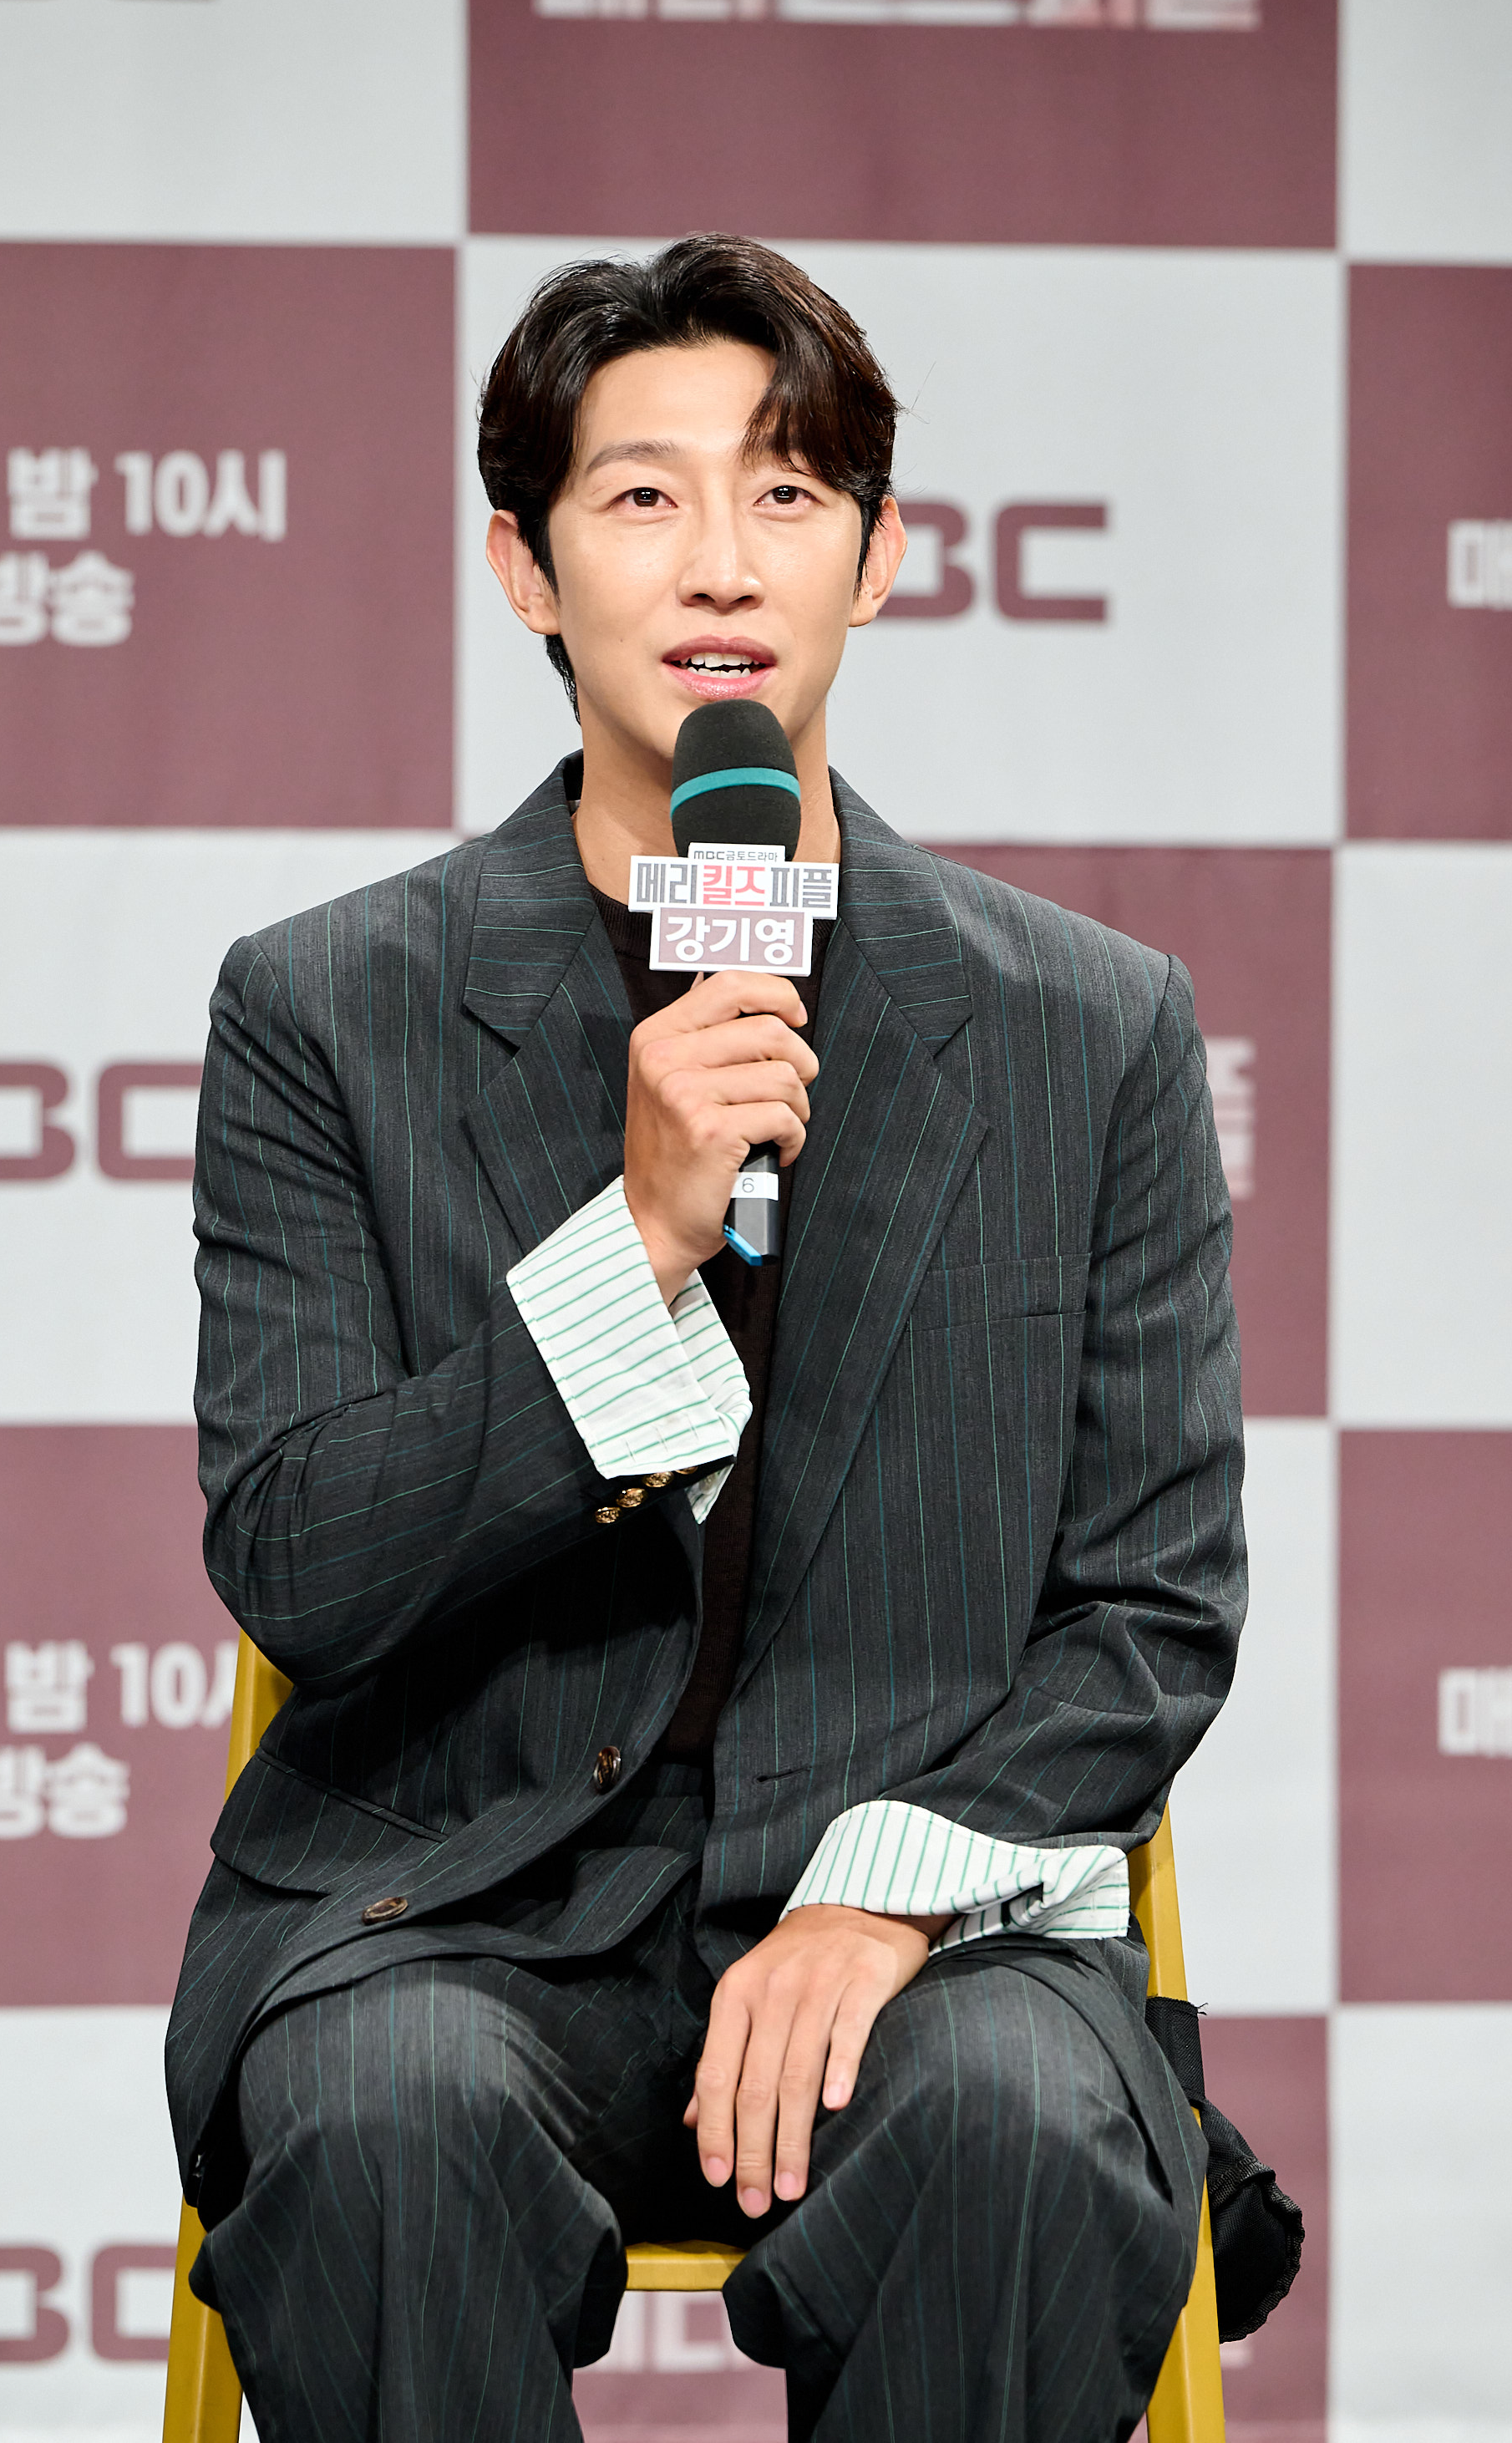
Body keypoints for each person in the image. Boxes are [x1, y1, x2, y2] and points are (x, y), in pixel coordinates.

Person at [165, 234, 1244, 2443]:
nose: (723, 559)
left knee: (1025, 2133)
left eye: (787, 491)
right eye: (644, 495)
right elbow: (297, 1558)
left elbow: (1151, 1607)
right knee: (380, 2128)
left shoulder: (1090, 1028)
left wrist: (880, 1901)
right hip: (454, 1912)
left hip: (921, 1930)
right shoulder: (327, 1009)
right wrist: (637, 1243)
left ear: (880, 557)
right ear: (526, 568)